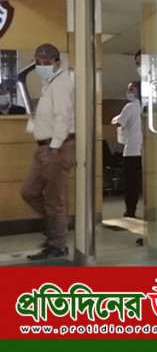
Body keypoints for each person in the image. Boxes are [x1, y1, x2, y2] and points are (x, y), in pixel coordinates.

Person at [22, 43, 75, 261]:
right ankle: (56, 228)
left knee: (54, 198)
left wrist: (54, 147)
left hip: (57, 147)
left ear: (57, 63)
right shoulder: (49, 83)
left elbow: (63, 117)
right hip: (43, 147)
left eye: (46, 62)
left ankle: (58, 244)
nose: (41, 66)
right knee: (29, 191)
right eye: (38, 62)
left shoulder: (61, 84)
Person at [111, 79, 142, 219]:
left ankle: (130, 210)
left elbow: (119, 122)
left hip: (131, 150)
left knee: (131, 184)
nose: (128, 92)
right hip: (143, 151)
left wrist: (116, 119)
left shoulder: (130, 107)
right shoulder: (146, 106)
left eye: (131, 89)